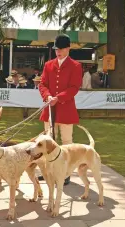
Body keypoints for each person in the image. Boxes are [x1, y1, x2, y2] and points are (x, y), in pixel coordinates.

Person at [38, 34, 83, 186]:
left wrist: (59, 97)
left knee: (66, 142)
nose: (59, 52)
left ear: (68, 48)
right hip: (50, 108)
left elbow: (74, 87)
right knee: (48, 141)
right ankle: (47, 171)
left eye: (62, 49)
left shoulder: (75, 66)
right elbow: (42, 84)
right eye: (57, 49)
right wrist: (48, 95)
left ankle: (66, 174)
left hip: (66, 109)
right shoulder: (48, 65)